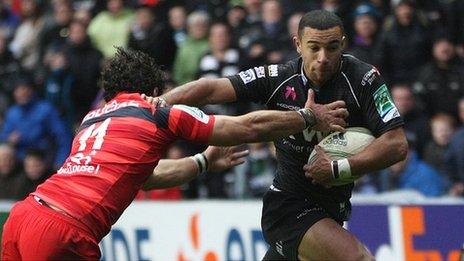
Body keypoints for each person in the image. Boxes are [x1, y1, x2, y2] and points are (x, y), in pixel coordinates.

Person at [1, 47, 347, 260]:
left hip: (23, 216)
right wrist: (306, 116)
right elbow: (247, 128)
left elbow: (146, 178)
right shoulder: (157, 110)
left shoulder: (92, 119)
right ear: (155, 90)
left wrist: (202, 162)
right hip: (63, 233)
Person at [158, 10, 407, 260]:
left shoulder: (364, 80)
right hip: (288, 207)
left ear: (343, 44)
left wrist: (338, 169)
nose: (323, 58)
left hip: (332, 209)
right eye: (314, 48)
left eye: (332, 48)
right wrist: (152, 105)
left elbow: (396, 144)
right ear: (298, 45)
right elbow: (208, 89)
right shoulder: (278, 78)